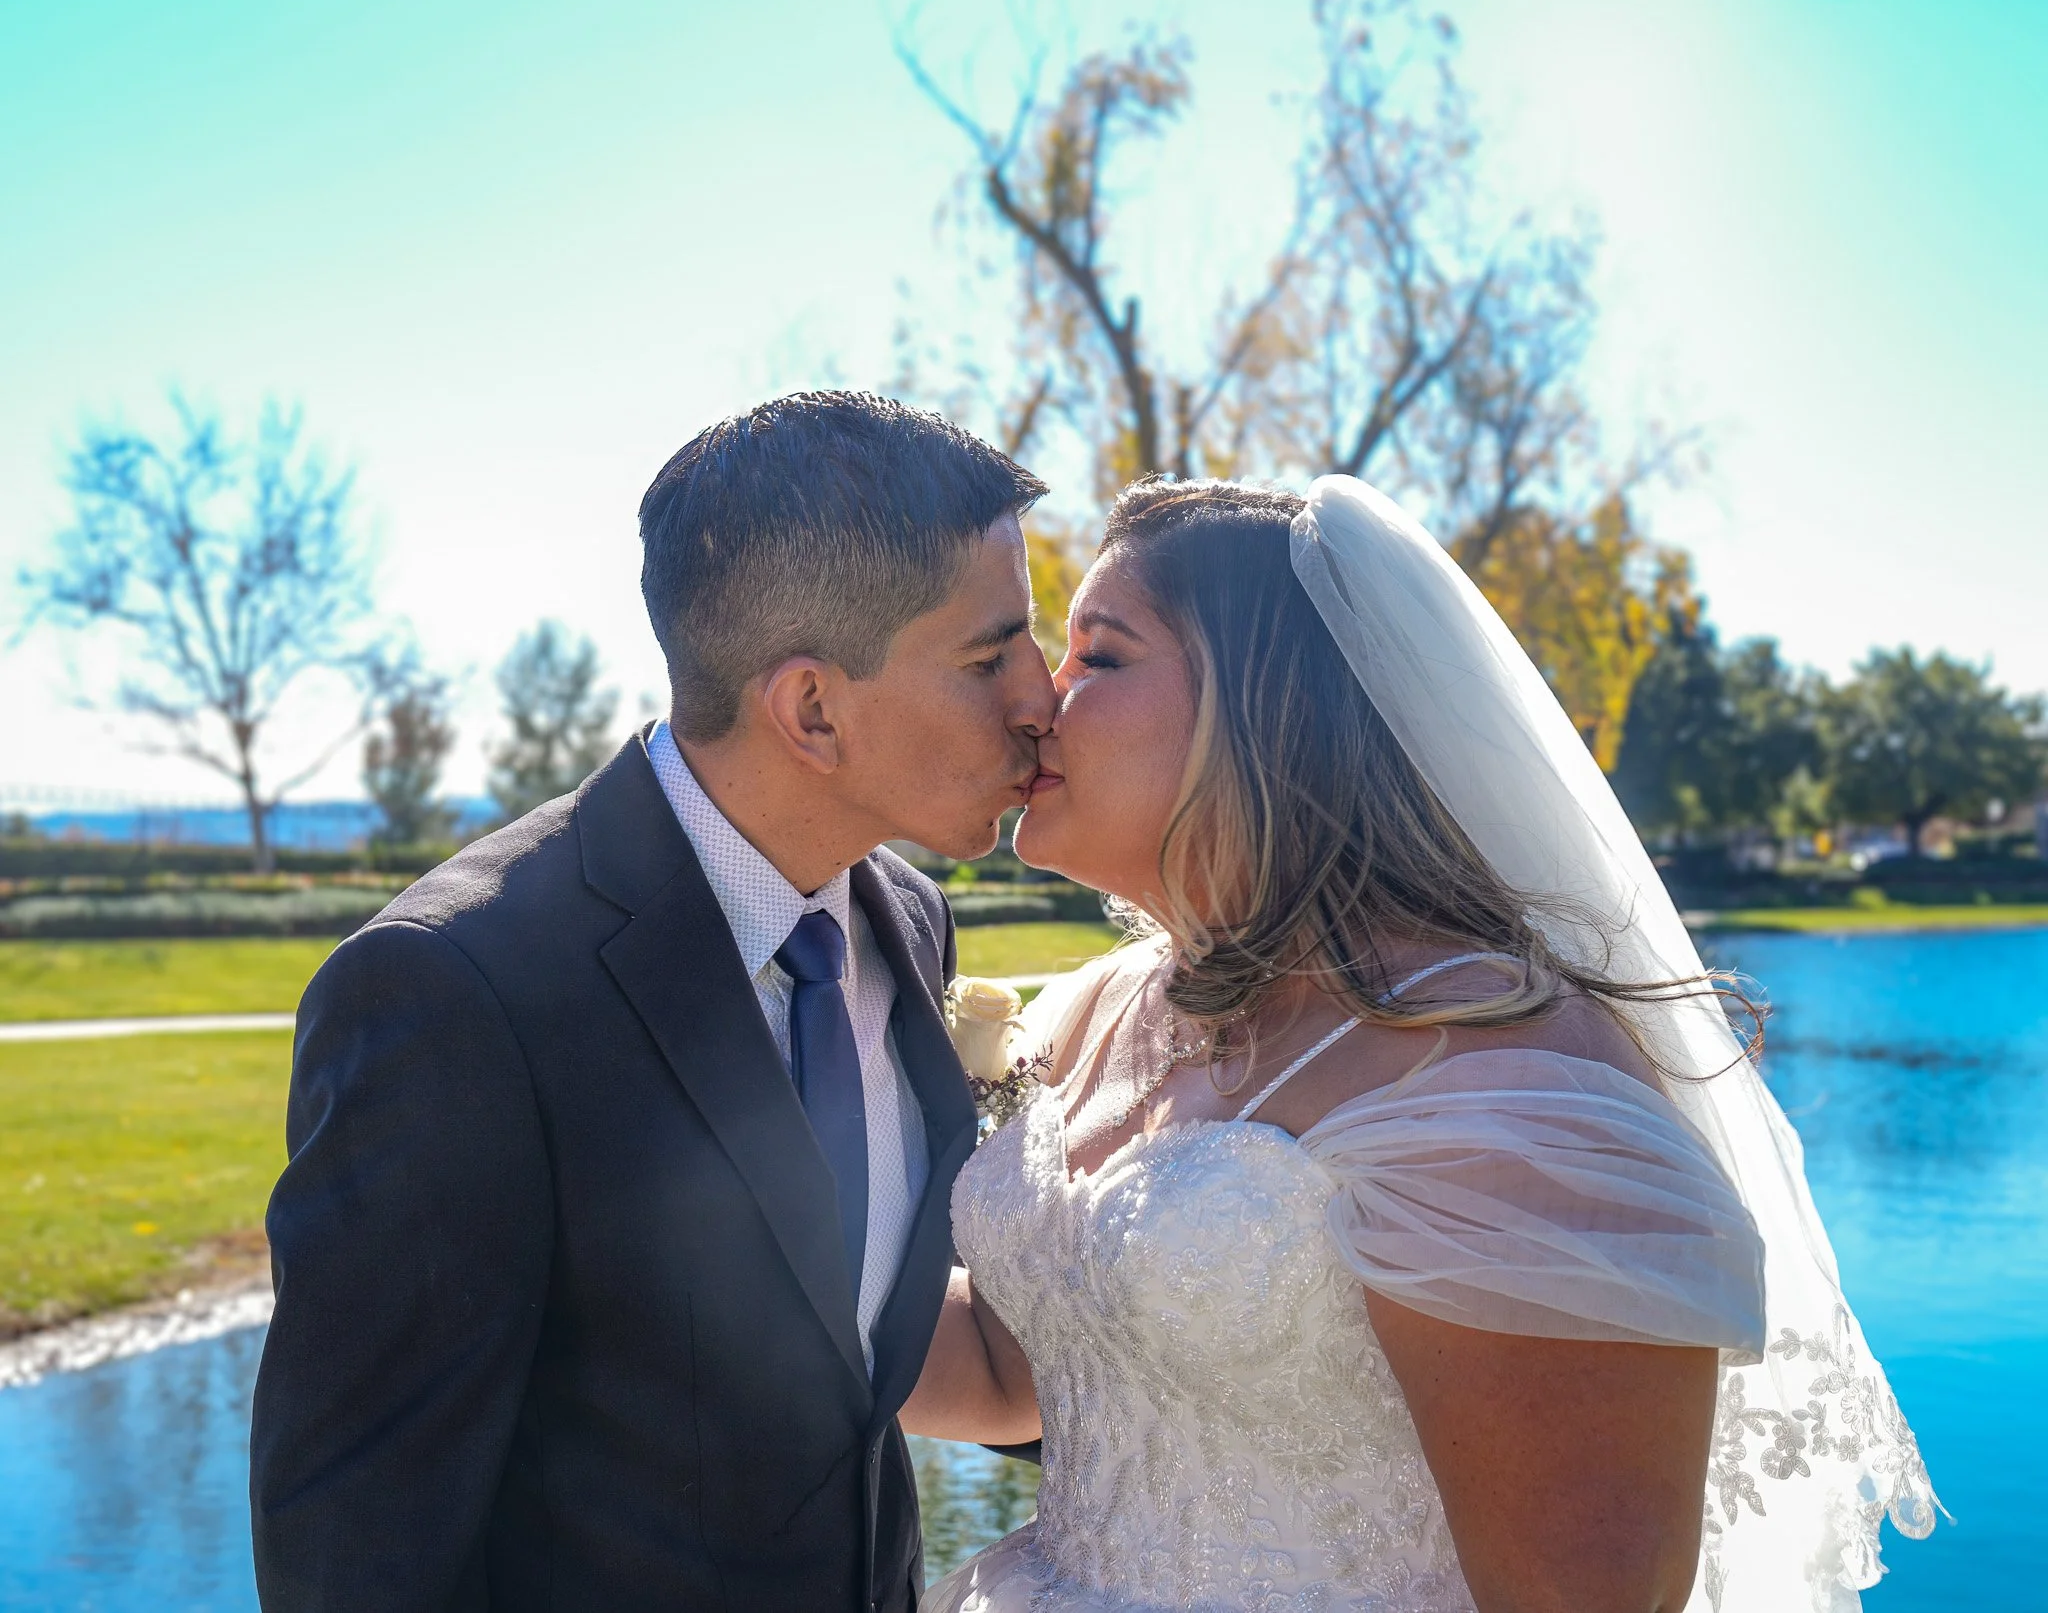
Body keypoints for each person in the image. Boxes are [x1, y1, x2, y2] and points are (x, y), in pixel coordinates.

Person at [903, 477, 1936, 1612]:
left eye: (1097, 657)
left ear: (1268, 710)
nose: (1039, 703)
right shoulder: (1099, 1011)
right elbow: (1015, 1372)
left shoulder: (1494, 1075)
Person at [250, 392, 1057, 1611]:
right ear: (812, 710)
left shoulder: (909, 919)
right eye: (989, 654)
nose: (1039, 696)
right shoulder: (450, 994)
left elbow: (850, 1360)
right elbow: (359, 1550)